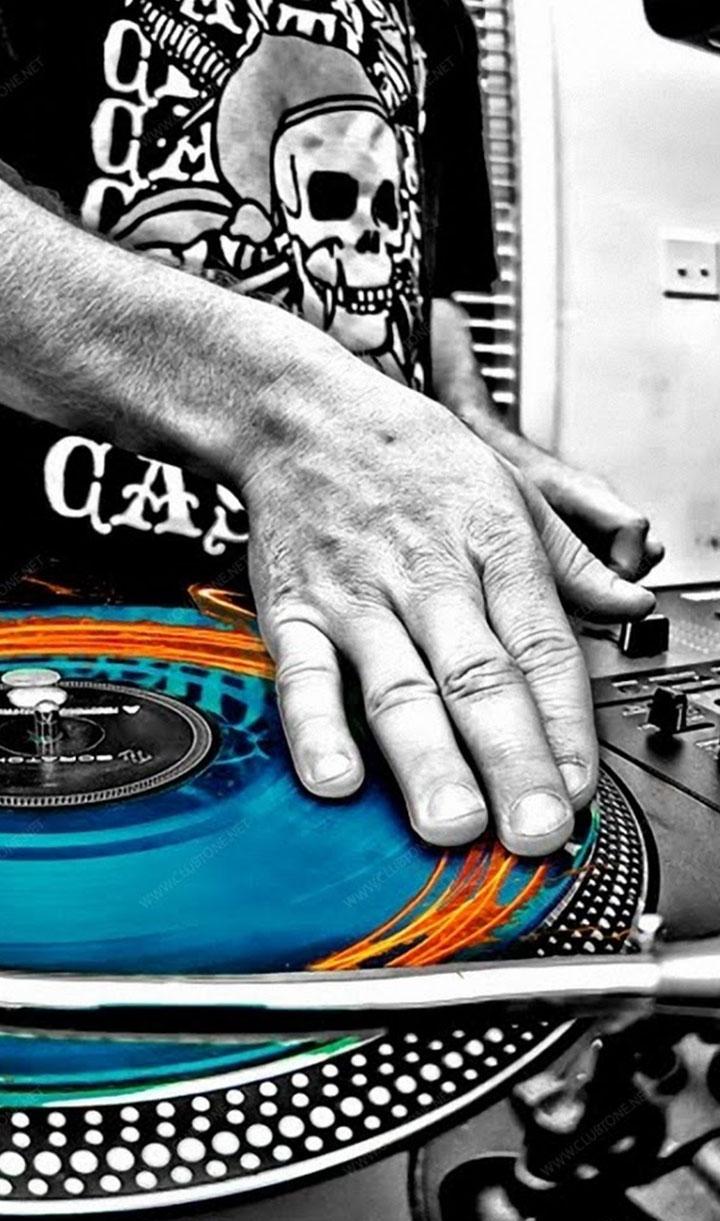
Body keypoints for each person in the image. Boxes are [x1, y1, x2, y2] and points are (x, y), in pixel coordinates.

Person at [0, 0, 661, 858]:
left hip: (375, 628)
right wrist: (282, 413)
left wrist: (485, 447)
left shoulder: (438, 18)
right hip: (59, 645)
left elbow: (425, 301)